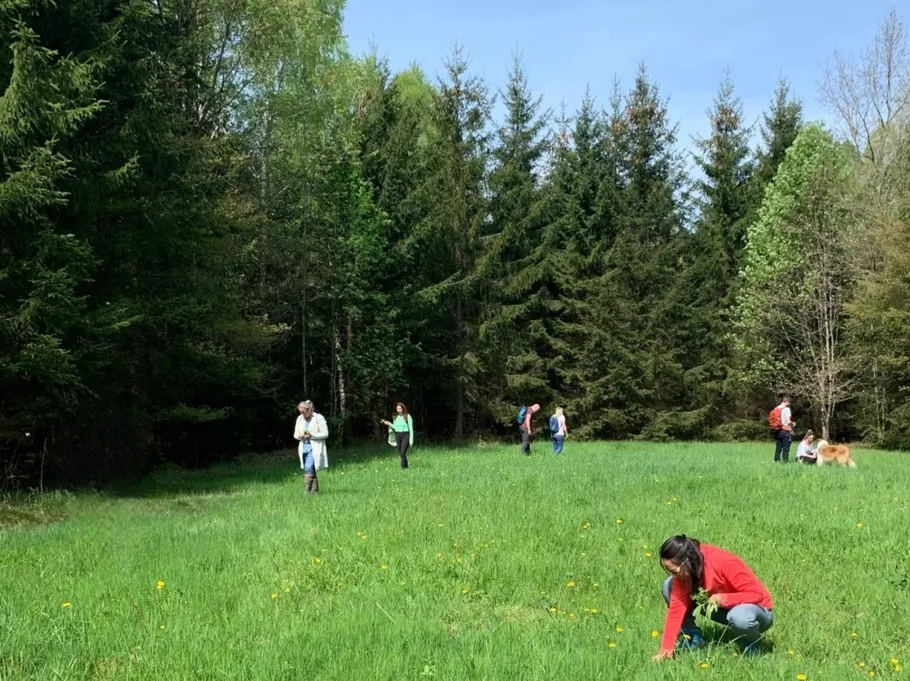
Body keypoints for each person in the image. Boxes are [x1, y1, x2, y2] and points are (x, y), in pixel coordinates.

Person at [653, 535, 773, 661]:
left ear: (686, 561)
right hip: (723, 608)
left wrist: (724, 599)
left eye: (674, 571)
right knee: (669, 585)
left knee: (739, 616)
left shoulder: (721, 561)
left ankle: (750, 642)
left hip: (758, 612)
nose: (674, 575)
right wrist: (666, 649)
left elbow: (757, 594)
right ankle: (692, 637)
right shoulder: (686, 571)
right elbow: (676, 610)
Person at [294, 400, 329, 493]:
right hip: (303, 448)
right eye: (300, 412)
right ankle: (314, 491)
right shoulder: (300, 419)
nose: (302, 414)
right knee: (309, 469)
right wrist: (299, 436)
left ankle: (306, 491)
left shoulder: (318, 418)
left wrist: (311, 435)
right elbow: (295, 434)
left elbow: (325, 434)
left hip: (315, 448)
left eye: (303, 412)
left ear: (309, 409)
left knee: (309, 467)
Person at [381, 402, 414, 469]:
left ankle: (402, 468)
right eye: (397, 409)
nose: (398, 410)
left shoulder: (408, 416)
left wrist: (411, 440)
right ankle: (406, 467)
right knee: (401, 454)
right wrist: (389, 423)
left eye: (400, 409)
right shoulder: (396, 417)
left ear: (403, 408)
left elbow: (411, 429)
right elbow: (395, 427)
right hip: (398, 436)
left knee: (402, 453)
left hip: (405, 436)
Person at [771, 396, 796, 463]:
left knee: (778, 447)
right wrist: (793, 423)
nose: (789, 404)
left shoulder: (776, 408)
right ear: (787, 401)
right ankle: (785, 462)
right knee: (786, 448)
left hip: (777, 430)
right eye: (789, 402)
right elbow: (788, 421)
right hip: (785, 430)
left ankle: (776, 461)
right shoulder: (786, 409)